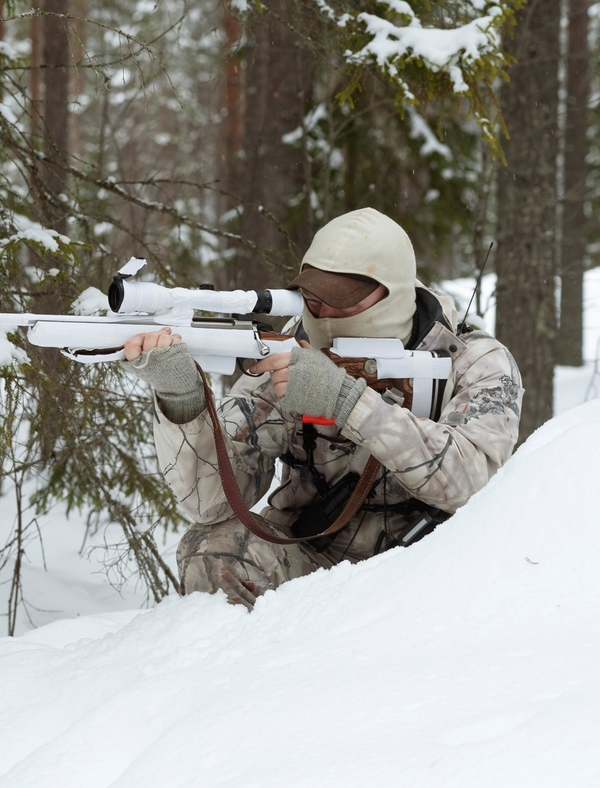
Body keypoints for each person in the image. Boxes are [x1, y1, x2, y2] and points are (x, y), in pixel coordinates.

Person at [123, 208, 522, 609]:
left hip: (429, 570)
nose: (324, 316)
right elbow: (212, 503)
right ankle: (253, 669)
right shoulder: (289, 351)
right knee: (212, 549)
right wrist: (184, 401)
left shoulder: (474, 361)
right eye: (314, 301)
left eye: (342, 302)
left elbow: (473, 482)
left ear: (393, 295)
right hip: (312, 554)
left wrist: (347, 402)